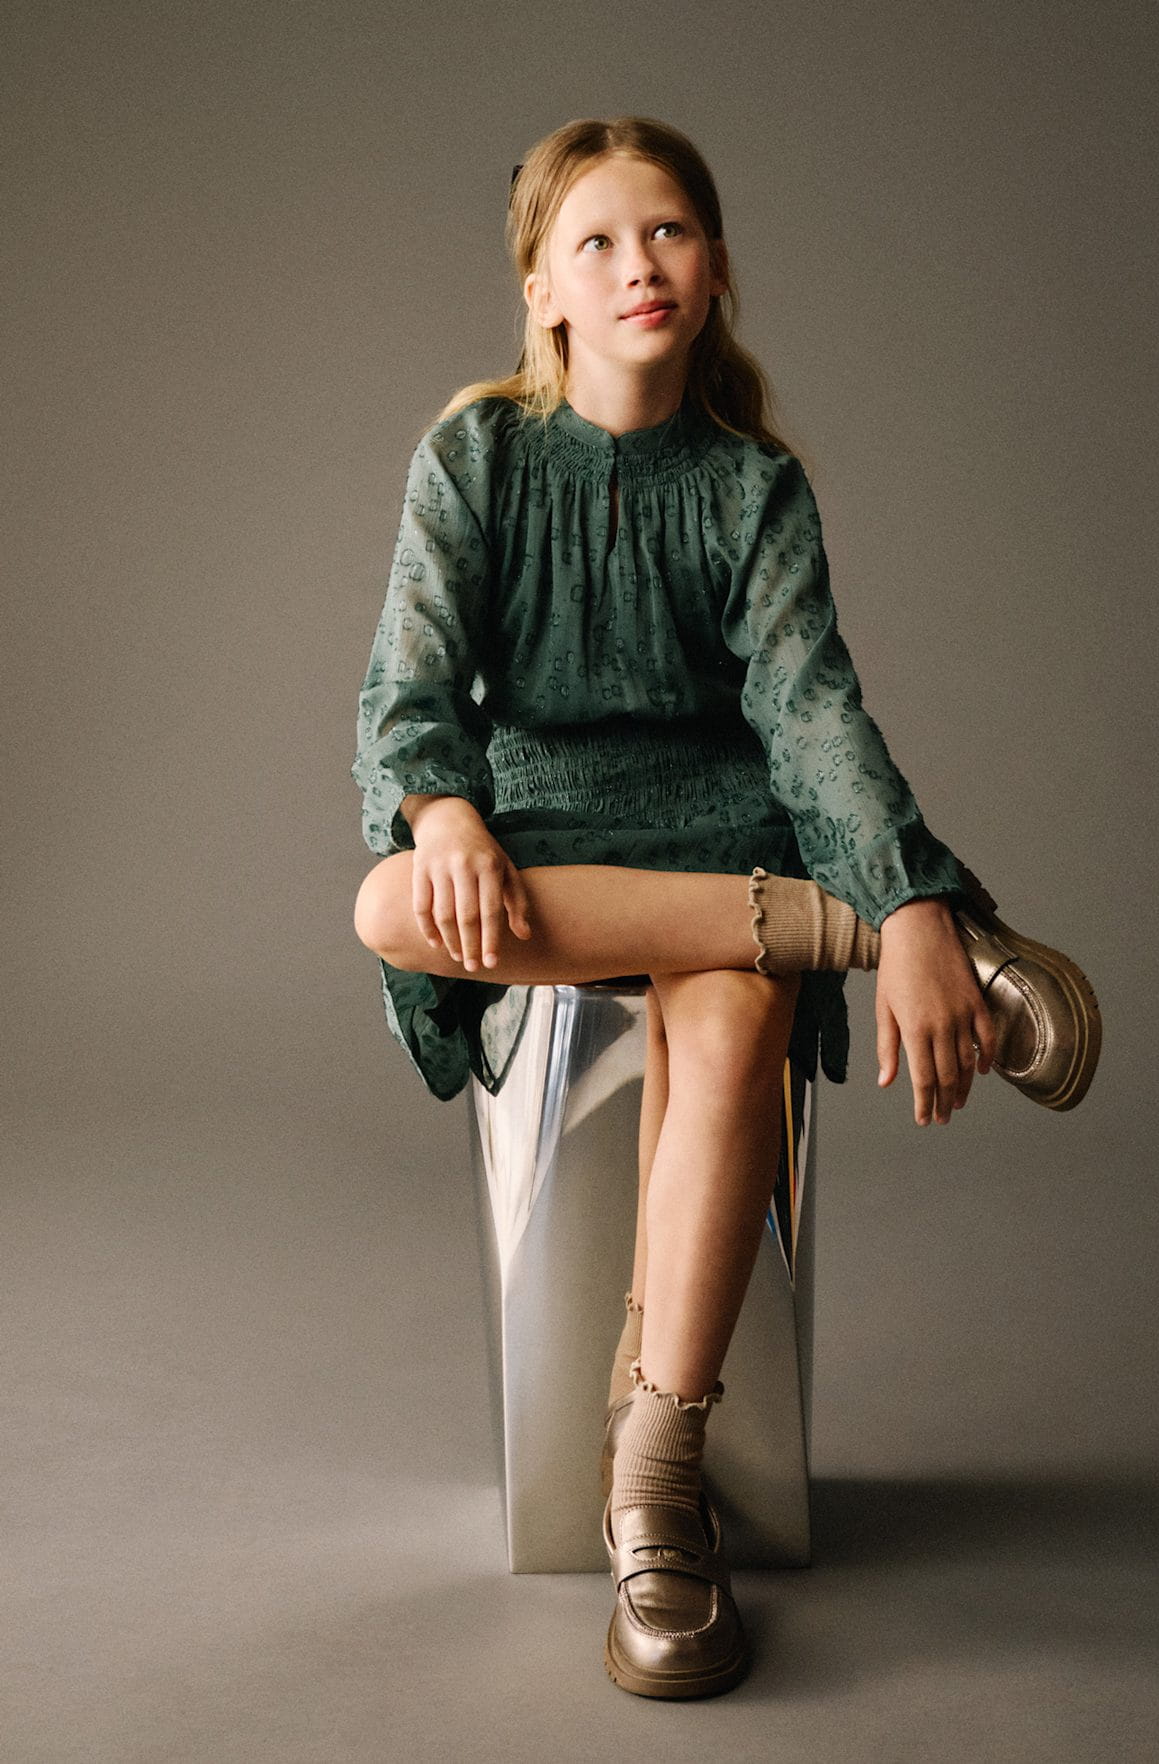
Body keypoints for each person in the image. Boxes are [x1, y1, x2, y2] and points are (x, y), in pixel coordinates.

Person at [351, 115, 1100, 1701]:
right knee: (391, 903)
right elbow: (406, 687)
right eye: (600, 242)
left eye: (671, 232)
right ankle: (863, 929)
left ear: (713, 269)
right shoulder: (477, 455)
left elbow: (812, 716)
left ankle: (655, 1492)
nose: (641, 265)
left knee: (740, 1007)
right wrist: (447, 810)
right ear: (544, 289)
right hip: (543, 837)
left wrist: (889, 869)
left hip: (724, 835)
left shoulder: (754, 487)